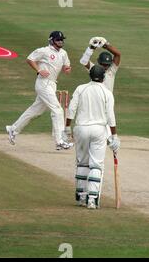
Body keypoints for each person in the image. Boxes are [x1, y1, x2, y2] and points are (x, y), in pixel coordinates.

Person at [64, 65, 120, 209]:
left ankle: (81, 196)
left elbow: (71, 109)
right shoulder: (107, 93)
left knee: (82, 162)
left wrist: (67, 127)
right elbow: (110, 116)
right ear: (103, 77)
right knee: (96, 164)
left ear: (90, 75)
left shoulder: (81, 88)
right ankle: (92, 199)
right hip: (98, 130)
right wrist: (114, 136)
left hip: (81, 128)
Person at [6, 31, 73, 150]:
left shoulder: (63, 53)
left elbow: (66, 66)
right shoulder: (44, 51)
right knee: (58, 110)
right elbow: (30, 59)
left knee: (35, 111)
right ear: (52, 40)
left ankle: (13, 129)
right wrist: (39, 70)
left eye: (62, 40)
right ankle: (60, 140)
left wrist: (67, 69)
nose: (61, 42)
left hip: (52, 84)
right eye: (58, 40)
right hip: (43, 83)